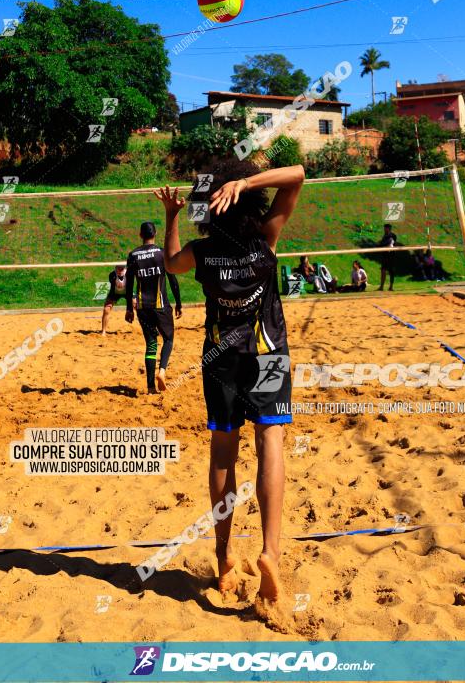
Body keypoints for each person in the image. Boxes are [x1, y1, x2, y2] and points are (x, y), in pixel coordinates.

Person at [155, 161, 305, 605]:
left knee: (223, 454)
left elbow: (169, 263)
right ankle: (270, 553)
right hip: (267, 354)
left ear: (210, 207)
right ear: (250, 202)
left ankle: (223, 559)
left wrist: (171, 216)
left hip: (221, 360)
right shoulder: (265, 240)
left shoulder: (203, 252)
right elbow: (296, 175)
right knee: (270, 442)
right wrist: (247, 182)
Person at [125, 221, 182, 394]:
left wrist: (129, 307)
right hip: (161, 306)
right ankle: (162, 371)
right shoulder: (161, 253)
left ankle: (150, 387)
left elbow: (129, 285)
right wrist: (178, 303)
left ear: (140, 235)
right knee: (169, 339)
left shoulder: (133, 255)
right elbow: (173, 280)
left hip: (142, 307)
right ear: (155, 233)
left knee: (151, 344)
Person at [101, 264, 130, 335]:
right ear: (115, 268)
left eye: (121, 268)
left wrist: (129, 308)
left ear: (125, 268)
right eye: (118, 268)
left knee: (137, 306)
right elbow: (115, 287)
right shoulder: (112, 275)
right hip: (115, 292)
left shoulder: (129, 274)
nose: (120, 270)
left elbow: (130, 287)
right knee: (106, 310)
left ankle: (145, 329)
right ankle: (103, 331)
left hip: (127, 291)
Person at [378, 223, 397, 292]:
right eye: (384, 228)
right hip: (385, 256)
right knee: (383, 270)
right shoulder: (384, 236)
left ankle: (391, 287)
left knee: (391, 271)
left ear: (388, 229)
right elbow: (382, 244)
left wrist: (384, 245)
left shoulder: (392, 235)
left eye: (385, 228)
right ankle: (381, 286)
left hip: (391, 256)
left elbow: (391, 243)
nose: (384, 229)